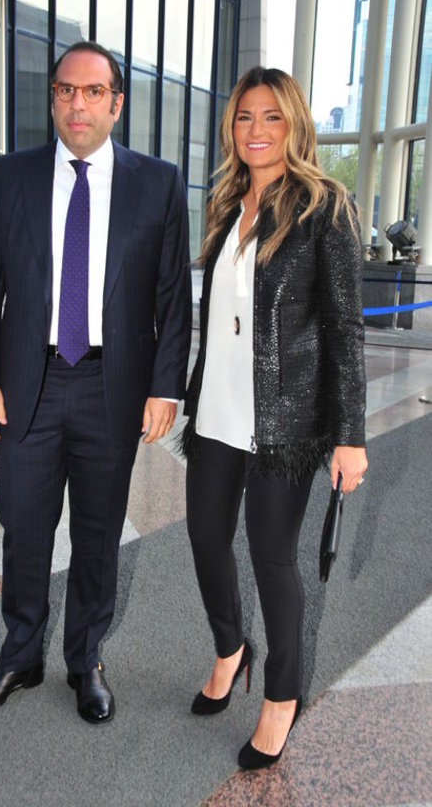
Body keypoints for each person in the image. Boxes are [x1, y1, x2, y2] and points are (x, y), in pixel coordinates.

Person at [0, 41, 191, 724]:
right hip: (26, 384)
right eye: (65, 90)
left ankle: (85, 659)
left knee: (97, 531)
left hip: (111, 386)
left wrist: (165, 388)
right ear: (53, 99)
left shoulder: (159, 183)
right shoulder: (8, 177)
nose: (76, 104)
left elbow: (173, 296)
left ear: (117, 103)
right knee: (23, 526)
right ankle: (20, 655)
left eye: (92, 92)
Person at [181, 66, 368, 769]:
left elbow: (345, 328)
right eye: (244, 117)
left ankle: (281, 695)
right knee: (205, 537)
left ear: (294, 126)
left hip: (285, 419)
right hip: (217, 408)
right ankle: (232, 648)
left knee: (271, 556)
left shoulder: (326, 207)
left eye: (271, 117)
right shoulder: (228, 205)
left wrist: (350, 435)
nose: (256, 130)